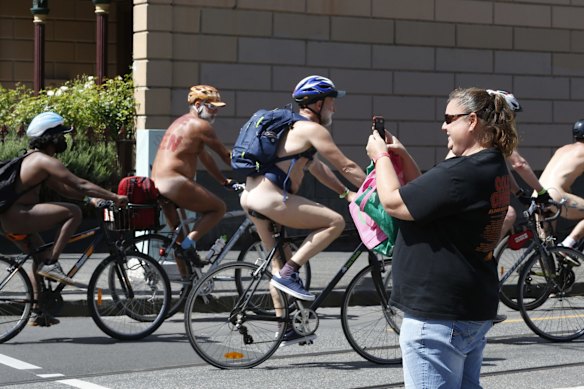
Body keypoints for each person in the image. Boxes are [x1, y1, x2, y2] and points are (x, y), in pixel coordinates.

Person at [367, 87, 518, 388]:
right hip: (468, 306)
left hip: (438, 316)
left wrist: (381, 156)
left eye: (449, 118)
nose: (443, 126)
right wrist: (403, 155)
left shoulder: (463, 174)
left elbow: (396, 203)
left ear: (472, 121)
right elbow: (426, 192)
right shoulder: (489, 165)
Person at [239, 75, 366, 345]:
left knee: (278, 260)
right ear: (317, 104)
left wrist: (346, 193)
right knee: (334, 222)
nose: (334, 108)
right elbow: (345, 166)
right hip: (271, 198)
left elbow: (318, 169)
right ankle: (290, 273)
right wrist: (376, 187)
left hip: (250, 196)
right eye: (331, 102)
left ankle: (285, 327)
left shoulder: (291, 127)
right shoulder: (313, 130)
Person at [0, 111, 128, 326]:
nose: (64, 139)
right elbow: (80, 184)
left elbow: (66, 190)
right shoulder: (43, 161)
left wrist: (90, 200)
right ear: (51, 138)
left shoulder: (31, 160)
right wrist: (114, 196)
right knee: (72, 213)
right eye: (61, 135)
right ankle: (52, 264)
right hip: (20, 217)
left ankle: (37, 312)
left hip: (10, 219)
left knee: (37, 259)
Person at [150, 85, 232, 270]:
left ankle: (188, 284)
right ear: (198, 104)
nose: (215, 113)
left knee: (179, 239)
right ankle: (188, 247)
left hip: (157, 183)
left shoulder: (180, 122)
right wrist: (253, 168)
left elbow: (205, 157)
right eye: (212, 107)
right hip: (173, 181)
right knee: (218, 208)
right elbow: (225, 156)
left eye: (217, 108)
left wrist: (223, 180)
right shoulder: (201, 126)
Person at [539, 119, 584, 255]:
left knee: (546, 247)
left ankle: (536, 268)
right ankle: (567, 245)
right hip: (555, 195)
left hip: (538, 195)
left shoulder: (562, 149)